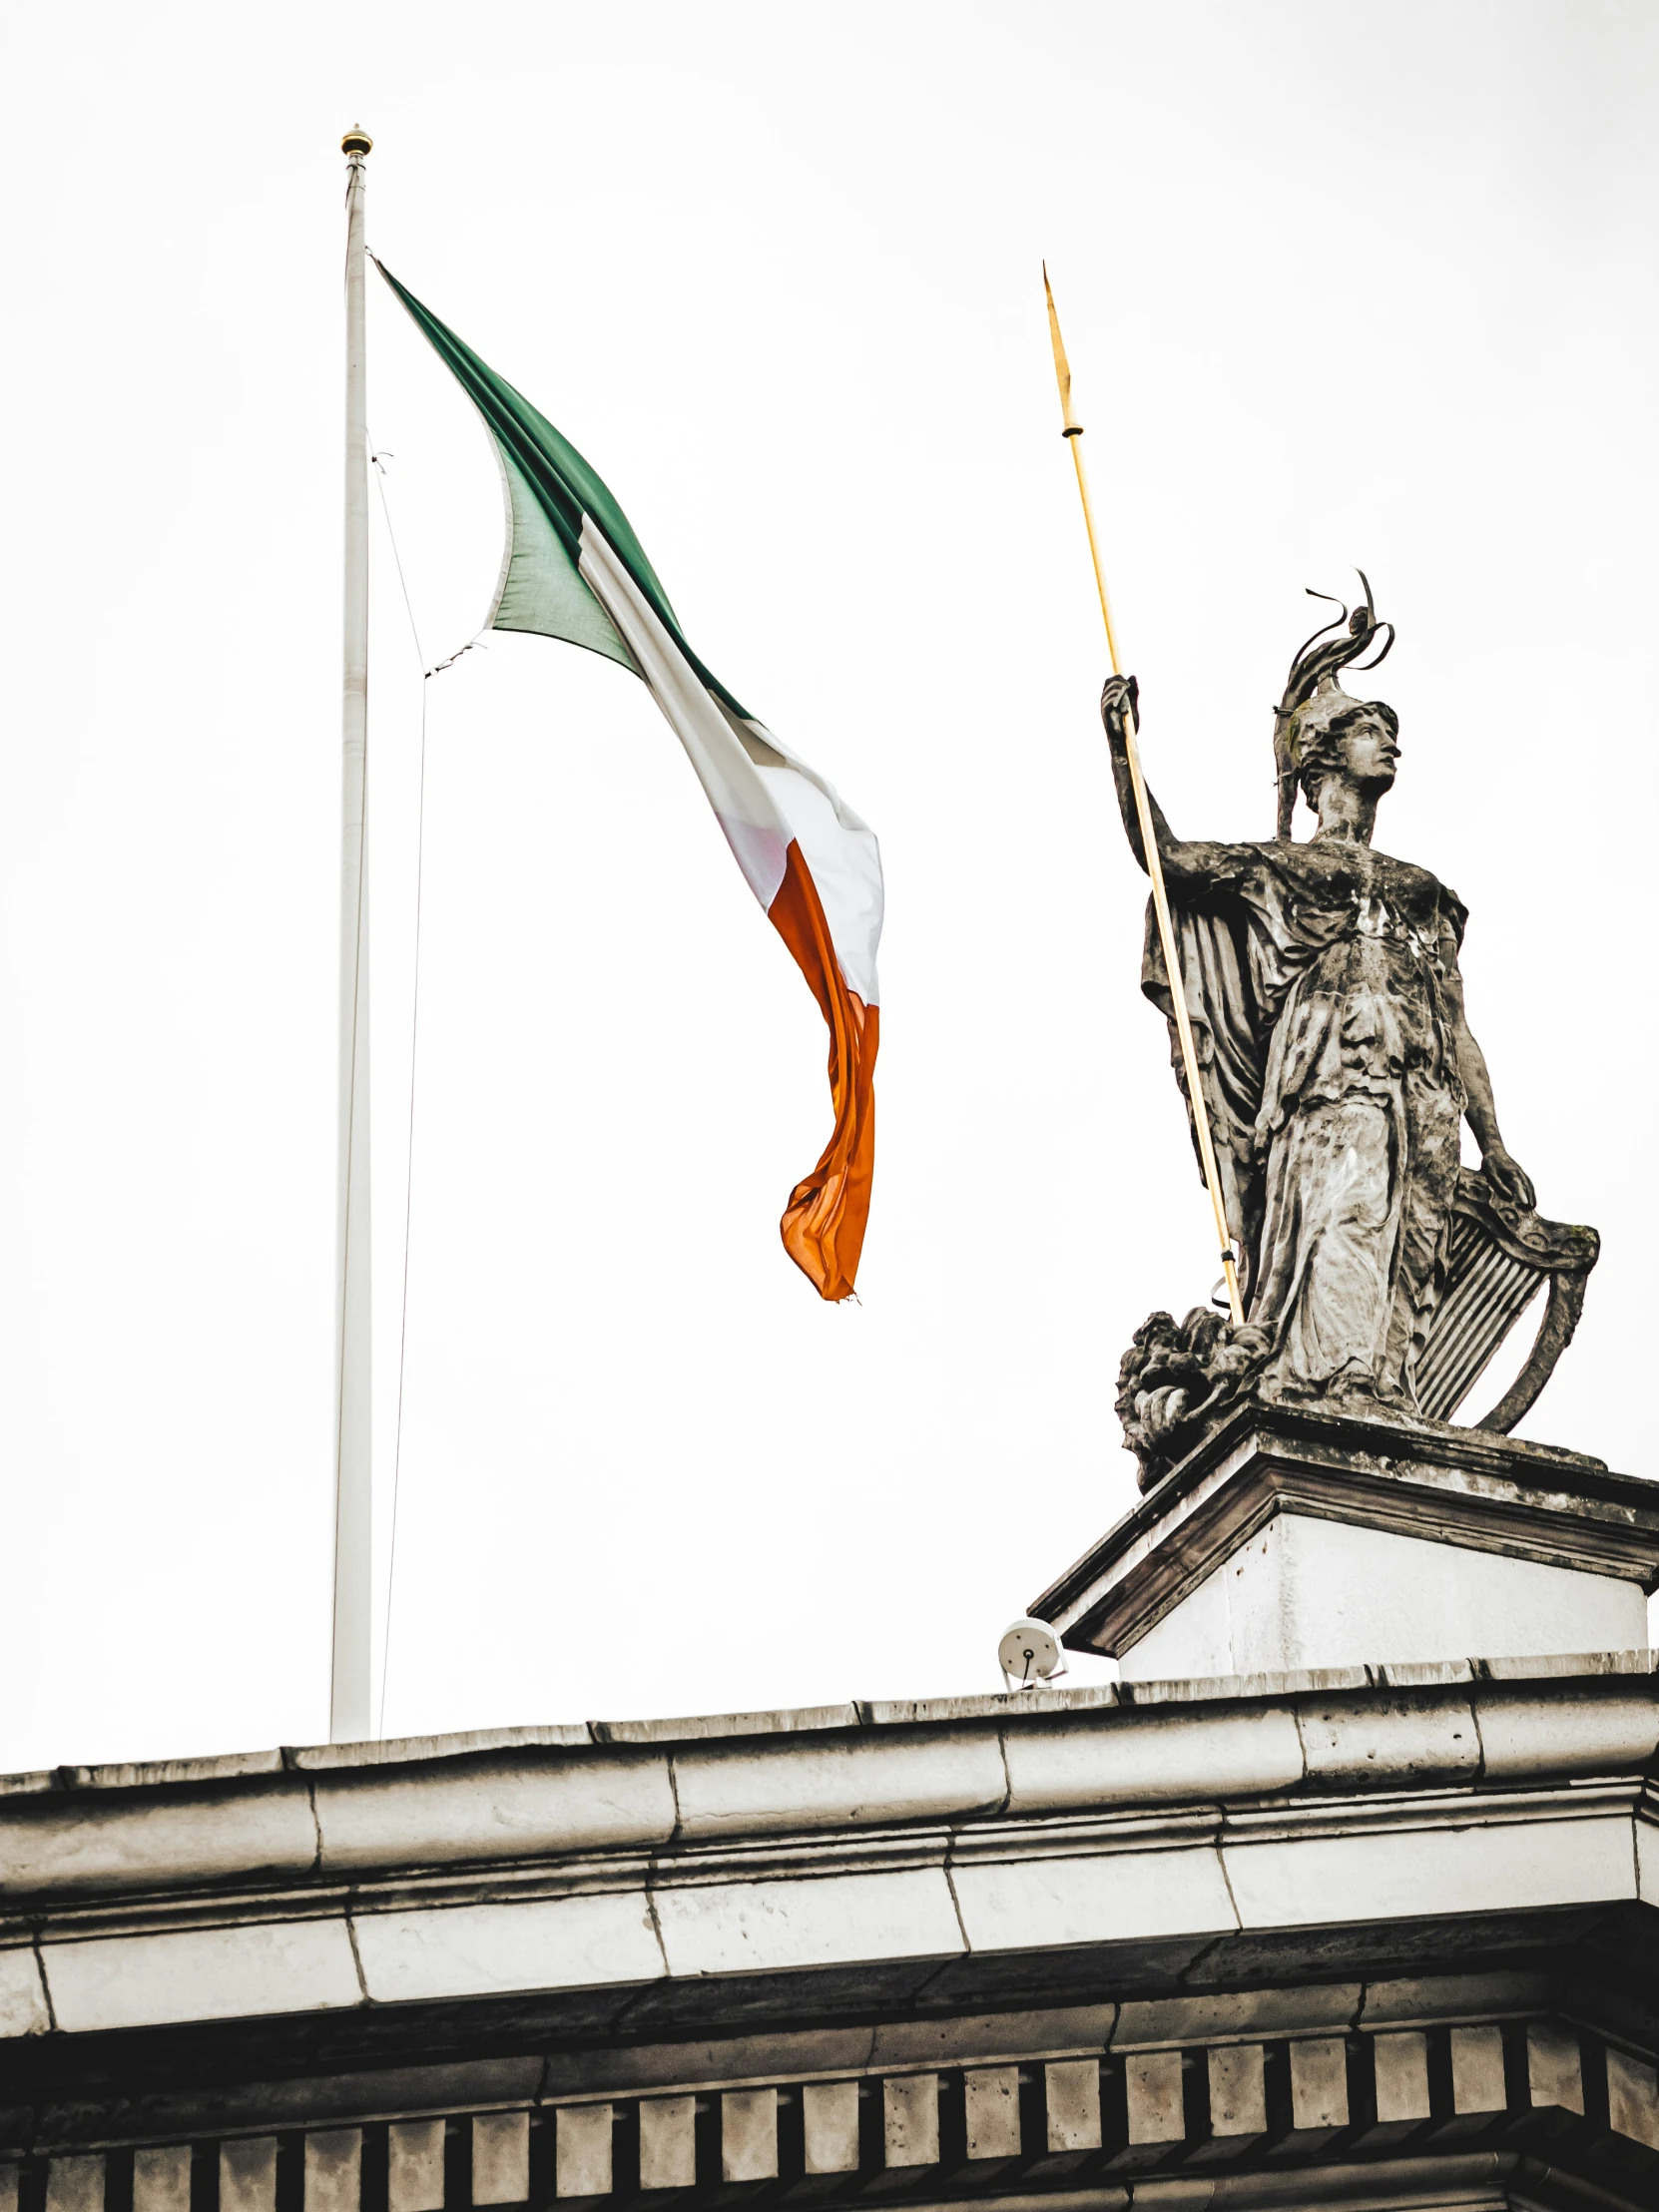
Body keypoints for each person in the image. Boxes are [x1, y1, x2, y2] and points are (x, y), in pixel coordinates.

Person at [1101, 603, 1532, 1410]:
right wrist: (1124, 752)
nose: (1391, 742)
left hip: (1424, 1088)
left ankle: (1382, 1396)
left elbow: (1456, 1020)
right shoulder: (1285, 868)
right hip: (1332, 1076)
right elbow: (1167, 860)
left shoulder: (1421, 889)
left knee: (1411, 1246)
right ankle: (1335, 1387)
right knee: (1343, 1222)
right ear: (1323, 765)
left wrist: (1495, 1141)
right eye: (1371, 729)